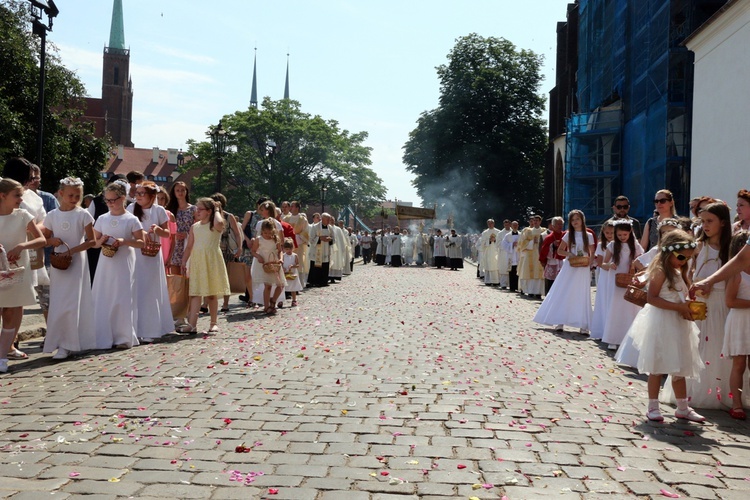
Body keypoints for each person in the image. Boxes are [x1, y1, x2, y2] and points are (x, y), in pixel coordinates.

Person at [626, 230, 705, 423]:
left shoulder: (680, 271)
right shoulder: (660, 271)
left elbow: (680, 296)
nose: (683, 261)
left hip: (678, 323)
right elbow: (652, 298)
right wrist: (678, 306)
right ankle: (652, 406)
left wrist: (689, 307)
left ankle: (682, 407)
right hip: (662, 322)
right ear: (669, 251)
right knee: (657, 365)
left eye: (687, 258)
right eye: (681, 257)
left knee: (680, 365)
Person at [662, 202, 733, 410]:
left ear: (723, 223)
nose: (705, 226)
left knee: (718, 344)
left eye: (710, 221)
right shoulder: (699, 246)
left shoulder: (730, 250)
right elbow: (687, 273)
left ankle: (720, 391)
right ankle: (692, 391)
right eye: (703, 221)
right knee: (697, 345)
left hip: (720, 302)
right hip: (700, 301)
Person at [41, 177, 97, 359]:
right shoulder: (52, 215)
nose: (74, 199)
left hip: (76, 262)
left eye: (77, 196)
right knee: (59, 301)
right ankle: (59, 340)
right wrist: (52, 241)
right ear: (61, 193)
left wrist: (72, 250)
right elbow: (45, 238)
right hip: (59, 263)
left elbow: (92, 241)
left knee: (73, 302)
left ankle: (70, 343)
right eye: (71, 195)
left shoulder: (83, 215)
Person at [91, 181, 145, 350]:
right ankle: (102, 335)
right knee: (104, 296)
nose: (110, 203)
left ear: (122, 199)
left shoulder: (131, 219)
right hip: (106, 263)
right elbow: (94, 243)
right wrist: (101, 241)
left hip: (124, 262)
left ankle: (123, 336)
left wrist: (124, 241)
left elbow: (141, 243)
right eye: (107, 201)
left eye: (112, 200)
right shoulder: (102, 218)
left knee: (122, 296)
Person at [0, 178, 46, 373]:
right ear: (3, 196)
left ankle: (2, 356)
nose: (21, 199)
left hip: (17, 269)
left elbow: (42, 240)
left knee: (11, 312)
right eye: (17, 195)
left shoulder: (23, 215)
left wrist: (22, 246)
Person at [533, 210, 595, 333]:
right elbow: (560, 251)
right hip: (570, 266)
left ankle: (583, 324)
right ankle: (559, 321)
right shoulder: (568, 235)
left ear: (582, 220)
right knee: (565, 291)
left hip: (582, 268)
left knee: (581, 293)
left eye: (577, 219)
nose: (575, 222)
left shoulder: (588, 235)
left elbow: (592, 252)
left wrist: (589, 263)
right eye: (573, 220)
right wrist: (569, 254)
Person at [127, 181, 174, 342]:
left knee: (149, 290)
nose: (138, 196)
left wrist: (158, 230)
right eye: (137, 193)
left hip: (151, 256)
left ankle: (151, 328)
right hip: (136, 253)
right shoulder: (131, 209)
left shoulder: (159, 210)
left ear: (151, 196)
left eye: (142, 193)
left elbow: (167, 233)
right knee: (136, 289)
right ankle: (135, 328)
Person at [180, 198, 230, 333]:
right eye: (197, 208)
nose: (197, 211)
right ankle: (192, 324)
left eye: (200, 209)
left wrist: (217, 209)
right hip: (198, 262)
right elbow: (189, 246)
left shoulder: (215, 226)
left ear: (208, 211)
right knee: (195, 294)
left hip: (211, 261)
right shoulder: (194, 227)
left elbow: (219, 222)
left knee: (211, 294)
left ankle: (213, 323)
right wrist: (184, 261)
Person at [601, 220, 643, 349]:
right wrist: (609, 265)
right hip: (616, 280)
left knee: (630, 308)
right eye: (619, 235)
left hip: (630, 279)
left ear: (630, 232)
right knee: (615, 308)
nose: (622, 238)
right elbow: (603, 263)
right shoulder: (613, 245)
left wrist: (636, 266)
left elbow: (641, 261)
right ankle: (613, 338)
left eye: (625, 235)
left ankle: (629, 338)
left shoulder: (635, 246)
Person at [722, 231, 750, 419]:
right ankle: (736, 403)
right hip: (740, 320)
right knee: (739, 363)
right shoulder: (737, 274)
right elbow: (730, 301)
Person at [86, 173, 127, 282]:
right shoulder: (97, 202)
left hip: (121, 252)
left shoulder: (130, 206)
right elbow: (89, 222)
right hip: (98, 251)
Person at [213, 193, 243, 312]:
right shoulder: (210, 216)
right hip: (213, 249)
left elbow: (237, 233)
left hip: (227, 251)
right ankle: (206, 303)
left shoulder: (229, 216)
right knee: (212, 276)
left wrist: (239, 247)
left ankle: (225, 303)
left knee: (226, 277)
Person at [251, 218, 285, 314]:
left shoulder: (276, 239)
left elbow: (280, 251)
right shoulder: (259, 239)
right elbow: (253, 251)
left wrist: (281, 259)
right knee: (268, 286)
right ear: (262, 231)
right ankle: (266, 306)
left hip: (274, 263)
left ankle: (273, 300)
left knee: (280, 285)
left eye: (270, 233)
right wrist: (258, 256)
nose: (268, 235)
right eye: (265, 233)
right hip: (264, 263)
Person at [590, 221, 615, 341]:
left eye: (612, 232)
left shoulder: (620, 245)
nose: (609, 235)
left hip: (616, 274)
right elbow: (600, 263)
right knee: (605, 299)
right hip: (605, 274)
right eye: (607, 233)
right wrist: (609, 265)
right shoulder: (601, 245)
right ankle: (603, 328)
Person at [166, 182, 196, 277]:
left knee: (188, 274)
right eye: (177, 190)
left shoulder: (193, 209)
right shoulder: (170, 209)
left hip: (188, 243)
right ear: (174, 192)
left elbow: (197, 226)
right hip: (175, 244)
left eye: (183, 190)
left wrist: (187, 234)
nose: (180, 192)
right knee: (175, 276)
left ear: (186, 192)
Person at [517, 215, 545, 297]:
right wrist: (532, 242)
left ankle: (539, 292)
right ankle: (531, 291)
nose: (535, 222)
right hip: (530, 254)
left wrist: (540, 241)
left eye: (537, 220)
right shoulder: (528, 231)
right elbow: (522, 243)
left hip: (540, 254)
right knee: (530, 274)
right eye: (534, 220)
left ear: (540, 221)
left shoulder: (543, 231)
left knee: (539, 274)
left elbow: (547, 241)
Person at [282, 201, 309, 284]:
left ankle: (298, 284)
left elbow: (306, 231)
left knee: (298, 262)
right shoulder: (286, 218)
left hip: (298, 244)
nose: (291, 208)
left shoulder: (302, 219)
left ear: (297, 208)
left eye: (293, 206)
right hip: (287, 244)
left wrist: (298, 237)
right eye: (291, 206)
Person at [308, 213, 335, 286]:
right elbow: (311, 239)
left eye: (329, 219)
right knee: (316, 266)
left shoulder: (330, 228)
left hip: (326, 250)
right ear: (323, 219)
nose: (329, 221)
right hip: (317, 250)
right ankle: (315, 282)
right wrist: (320, 238)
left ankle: (324, 281)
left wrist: (330, 239)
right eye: (327, 219)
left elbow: (333, 238)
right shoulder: (315, 227)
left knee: (325, 265)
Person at [539, 217, 564, 295]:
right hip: (552, 262)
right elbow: (543, 251)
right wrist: (552, 245)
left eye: (561, 224)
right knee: (551, 283)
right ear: (553, 226)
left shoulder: (565, 235)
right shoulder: (549, 237)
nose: (560, 226)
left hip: (563, 262)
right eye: (558, 224)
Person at [156, 187, 176, 268]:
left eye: (162, 199)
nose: (160, 201)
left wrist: (170, 257)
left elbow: (174, 239)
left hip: (165, 251)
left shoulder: (170, 216)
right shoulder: (149, 215)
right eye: (157, 198)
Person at [479, 219, 501, 285]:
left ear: (494, 224)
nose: (490, 225)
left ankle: (495, 281)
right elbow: (482, 243)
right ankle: (488, 281)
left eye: (491, 223)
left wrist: (495, 240)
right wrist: (489, 240)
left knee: (495, 266)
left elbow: (500, 242)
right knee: (488, 266)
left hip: (495, 252)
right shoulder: (485, 233)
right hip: (487, 252)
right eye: (489, 223)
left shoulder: (498, 232)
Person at [282, 238, 302, 307]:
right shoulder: (283, 256)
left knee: (293, 288)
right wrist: (283, 268)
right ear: (284, 249)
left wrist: (293, 266)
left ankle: (294, 299)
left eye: (290, 249)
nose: (288, 251)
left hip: (292, 273)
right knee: (283, 287)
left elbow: (298, 264)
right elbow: (281, 264)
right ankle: (281, 300)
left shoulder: (295, 255)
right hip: (285, 273)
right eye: (287, 249)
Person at [502, 222, 520, 291]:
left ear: (518, 226)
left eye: (516, 225)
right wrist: (512, 244)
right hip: (511, 256)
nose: (515, 226)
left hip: (518, 255)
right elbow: (503, 244)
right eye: (513, 225)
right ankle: (512, 287)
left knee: (517, 271)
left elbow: (524, 243)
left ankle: (517, 287)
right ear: (511, 226)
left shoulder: (521, 234)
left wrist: (519, 245)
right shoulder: (507, 235)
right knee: (511, 271)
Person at [497, 220, 512, 288]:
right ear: (503, 225)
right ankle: (503, 284)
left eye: (508, 224)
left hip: (512, 253)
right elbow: (498, 243)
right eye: (505, 225)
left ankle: (511, 284)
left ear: (510, 224)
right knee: (503, 268)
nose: (506, 226)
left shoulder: (514, 232)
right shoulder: (500, 233)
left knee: (511, 268)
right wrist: (507, 246)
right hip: (503, 253)